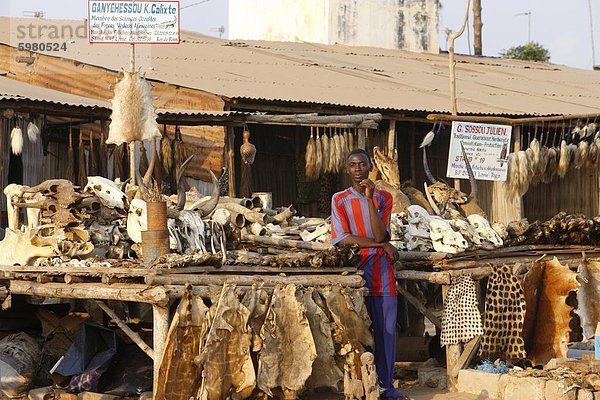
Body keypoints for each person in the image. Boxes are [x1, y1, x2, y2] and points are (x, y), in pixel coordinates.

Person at [331, 148, 410, 400]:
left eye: (362, 165)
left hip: (383, 273)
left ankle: (386, 387)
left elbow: (380, 234)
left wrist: (368, 198)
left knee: (386, 332)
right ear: (347, 169)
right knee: (356, 334)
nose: (357, 169)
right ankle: (362, 386)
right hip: (354, 274)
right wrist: (381, 246)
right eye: (353, 165)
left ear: (370, 168)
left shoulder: (383, 197)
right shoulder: (340, 199)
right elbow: (342, 239)